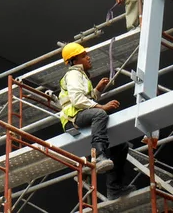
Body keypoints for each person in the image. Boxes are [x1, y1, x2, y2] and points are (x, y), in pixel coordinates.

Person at [58, 42, 136, 200]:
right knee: (100, 114)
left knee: (121, 145)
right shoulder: (73, 74)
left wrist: (97, 90)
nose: (88, 58)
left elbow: (85, 98)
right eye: (84, 55)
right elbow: (78, 100)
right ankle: (99, 154)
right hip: (73, 118)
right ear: (74, 60)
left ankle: (114, 190)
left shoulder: (81, 76)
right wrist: (101, 106)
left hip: (82, 114)